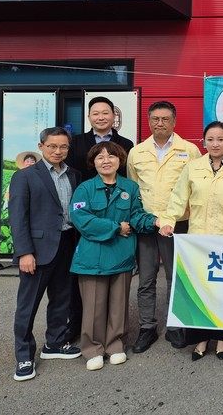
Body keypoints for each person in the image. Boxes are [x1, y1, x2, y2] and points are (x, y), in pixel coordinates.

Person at [161, 121, 223, 361]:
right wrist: (168, 220)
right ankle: (201, 338)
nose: (215, 144)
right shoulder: (193, 167)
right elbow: (178, 198)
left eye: (220, 139)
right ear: (203, 142)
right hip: (198, 241)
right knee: (199, 291)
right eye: (210, 139)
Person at [69, 142, 159, 371]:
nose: (106, 161)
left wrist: (156, 222)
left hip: (121, 255)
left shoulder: (130, 187)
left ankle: (116, 345)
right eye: (100, 157)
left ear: (120, 160)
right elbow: (81, 219)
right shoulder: (85, 189)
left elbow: (137, 215)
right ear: (93, 162)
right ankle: (93, 349)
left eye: (111, 156)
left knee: (119, 305)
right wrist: (116, 227)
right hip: (92, 258)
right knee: (94, 306)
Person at [127, 101, 201, 353]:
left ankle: (175, 325)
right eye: (155, 119)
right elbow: (133, 188)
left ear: (174, 121)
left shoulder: (189, 150)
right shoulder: (137, 152)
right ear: (149, 121)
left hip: (177, 224)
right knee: (146, 278)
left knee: (175, 276)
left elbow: (196, 186)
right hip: (147, 224)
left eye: (165, 119)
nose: (160, 123)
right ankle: (147, 326)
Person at [9, 127, 82, 381]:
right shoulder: (25, 176)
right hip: (37, 250)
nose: (57, 151)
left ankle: (54, 343)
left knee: (62, 298)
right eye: (52, 146)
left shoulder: (74, 175)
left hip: (67, 244)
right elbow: (18, 217)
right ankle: (24, 356)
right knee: (28, 305)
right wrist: (24, 252)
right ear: (41, 147)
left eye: (63, 147)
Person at [66, 96, 134, 342]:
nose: (101, 117)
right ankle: (78, 325)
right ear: (89, 117)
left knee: (116, 278)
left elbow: (127, 182)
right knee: (84, 275)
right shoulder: (76, 143)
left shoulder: (126, 144)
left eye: (106, 112)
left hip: (116, 214)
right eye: (96, 113)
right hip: (86, 213)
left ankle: (113, 335)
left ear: (114, 116)